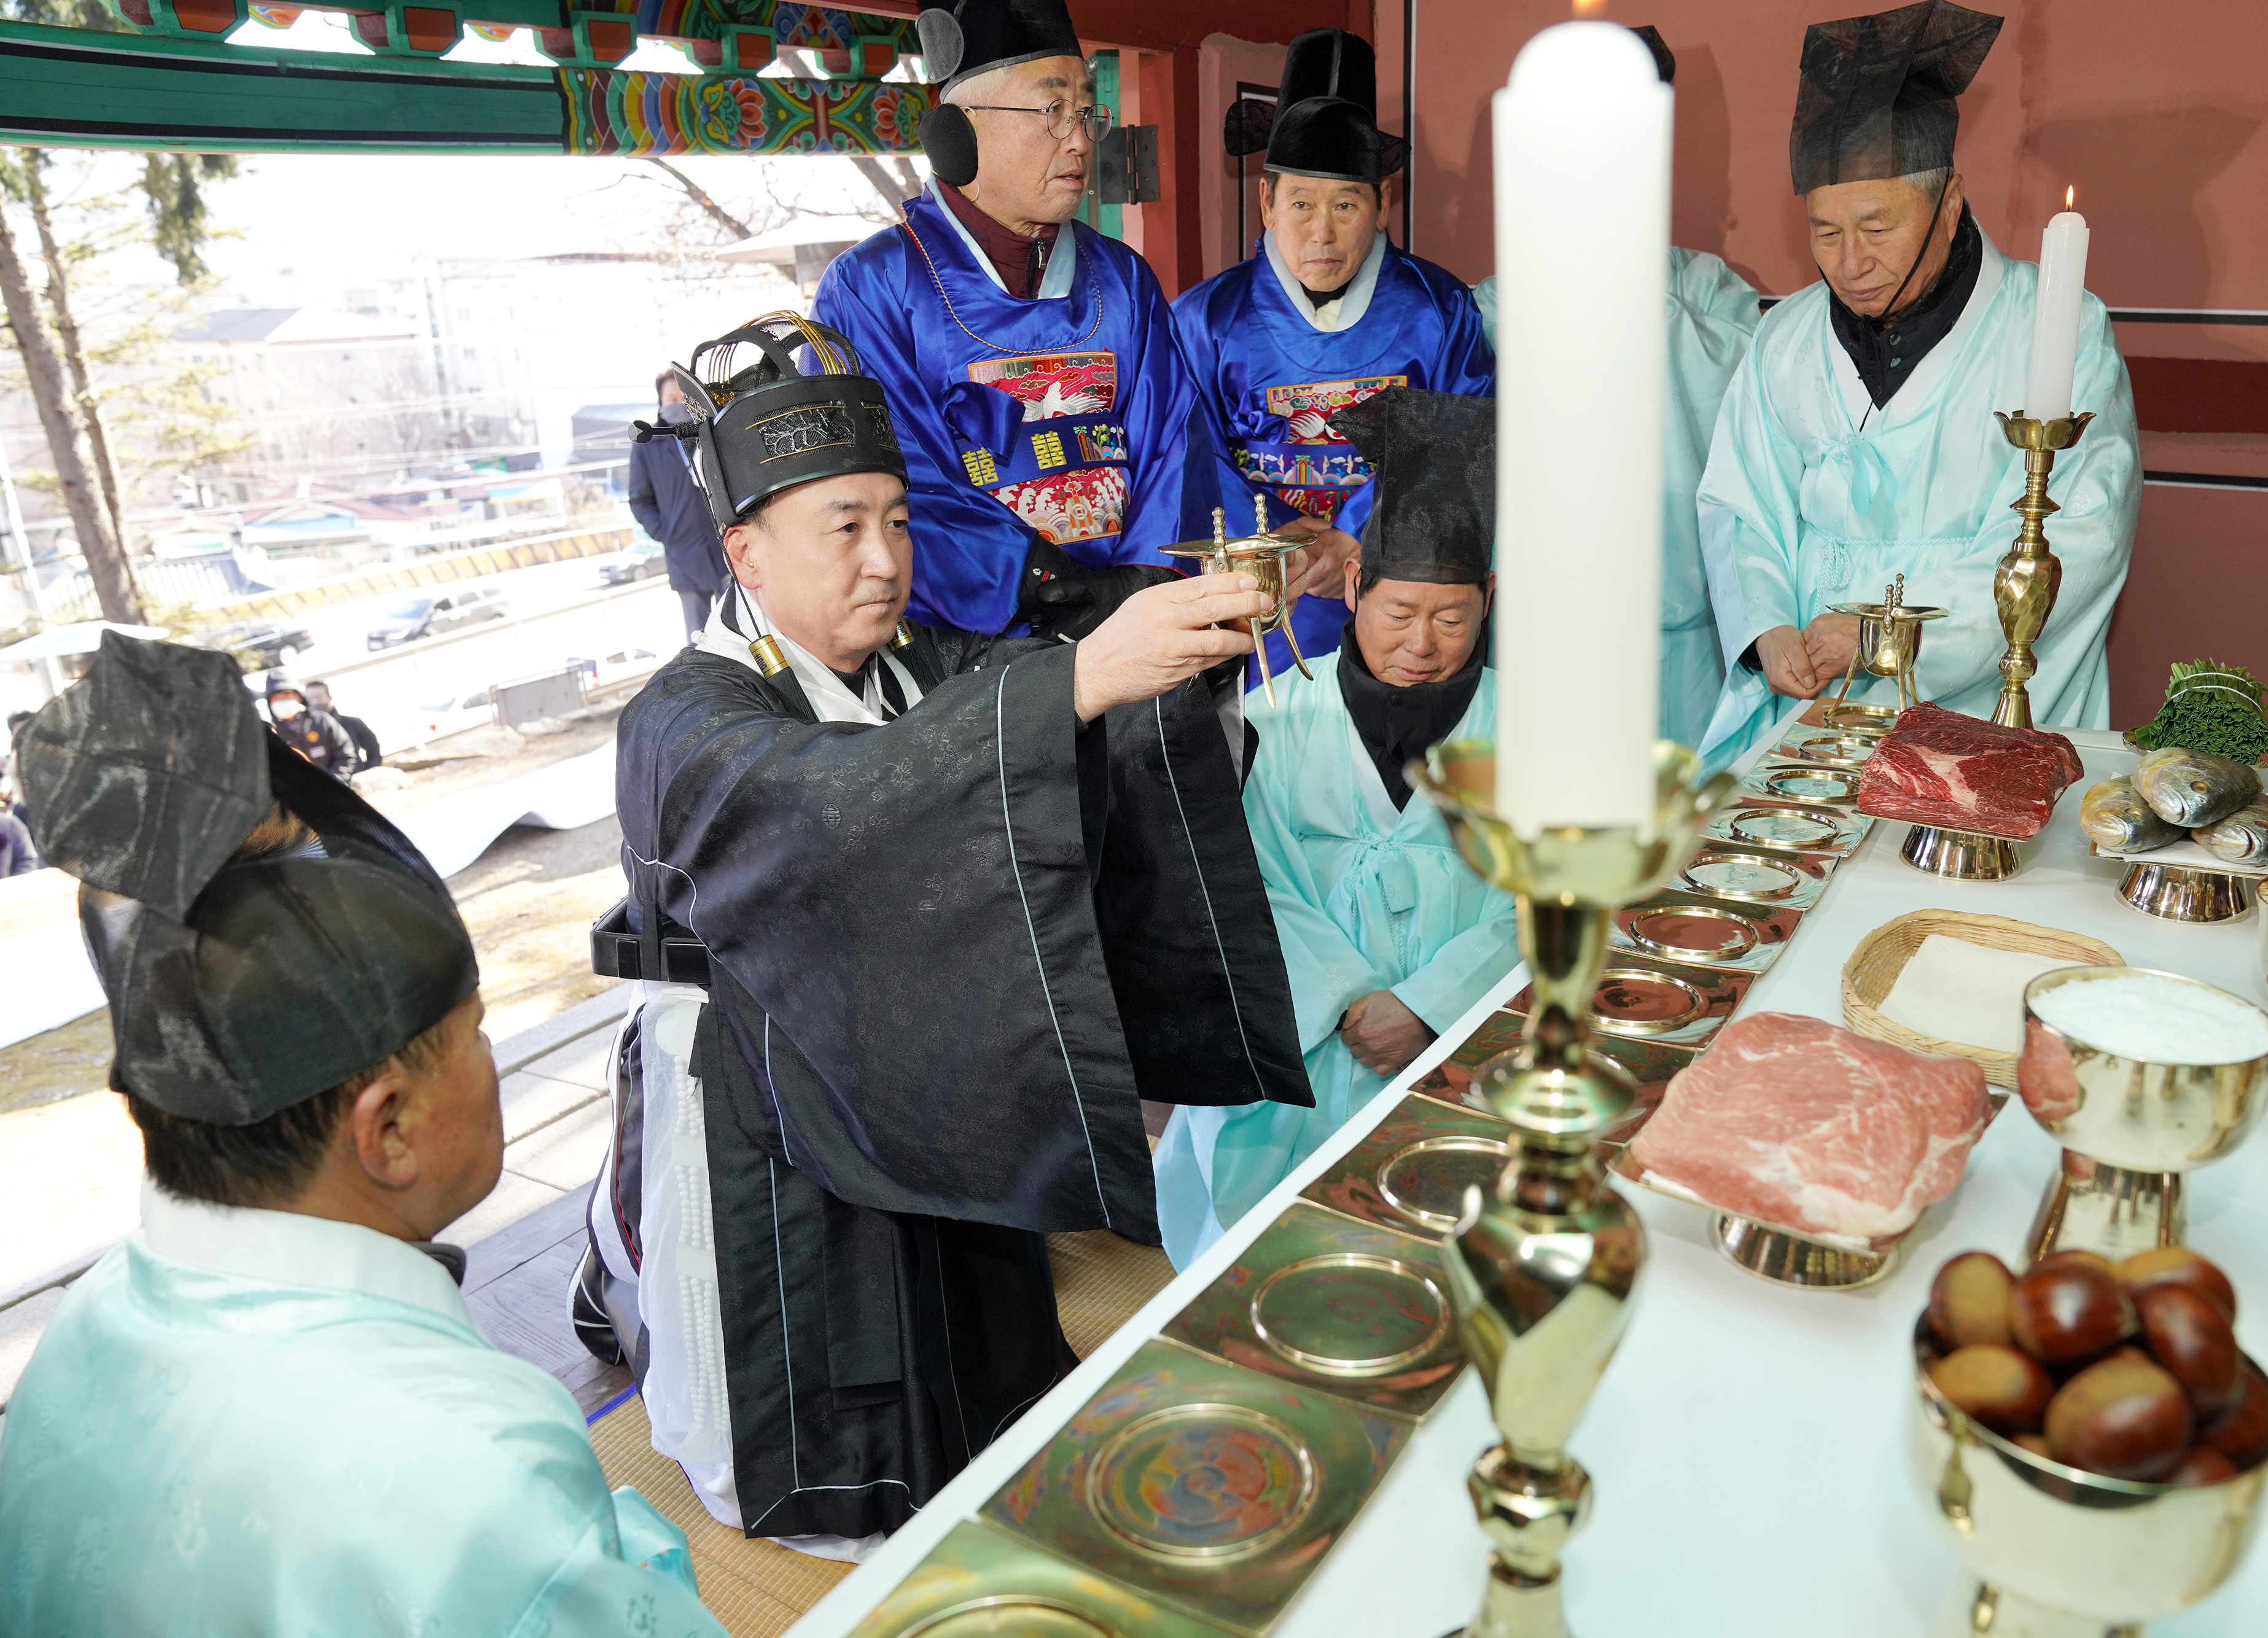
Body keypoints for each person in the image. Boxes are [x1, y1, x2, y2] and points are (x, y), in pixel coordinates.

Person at [585, 314, 1309, 1556]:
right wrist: (1076, 684)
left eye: (899, 520)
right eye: (845, 528)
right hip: (774, 1100)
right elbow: (825, 807)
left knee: (978, 1353)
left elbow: (1014, 720)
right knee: (842, 1372)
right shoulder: (686, 716)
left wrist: (1158, 669)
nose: (885, 560)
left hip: (919, 1061)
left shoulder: (904, 666)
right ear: (743, 553)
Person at [0, 632, 717, 1636]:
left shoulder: (81, 1334)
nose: (491, 1061)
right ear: (390, 1126)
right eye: (471, 1032)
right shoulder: (474, 1460)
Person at [1694, 0, 2141, 770]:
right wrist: (1765, 625)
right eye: (1824, 232)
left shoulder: (2052, 328)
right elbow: (1741, 505)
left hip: (1974, 705)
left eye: (1876, 228)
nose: (1849, 263)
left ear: (1951, 200)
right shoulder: (1787, 334)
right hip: (1811, 703)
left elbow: (2082, 533)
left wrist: (1893, 635)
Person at [1155, 389, 1516, 1267]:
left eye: (1453, 616)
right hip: (1307, 1047)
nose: (1423, 644)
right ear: (1353, 584)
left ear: (1491, 598)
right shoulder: (1279, 711)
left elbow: (1551, 898)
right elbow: (1248, 883)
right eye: (1399, 612)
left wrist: (1432, 1006)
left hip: (1468, 1043)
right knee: (1281, 1256)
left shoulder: (1531, 724)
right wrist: (1352, 999)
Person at [814, 0, 1215, 643]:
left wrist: (1141, 582)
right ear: (961, 130)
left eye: (1086, 112)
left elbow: (1175, 445)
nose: (1080, 139)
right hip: (966, 652)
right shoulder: (874, 287)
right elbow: (889, 480)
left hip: (1135, 624)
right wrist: (1041, 585)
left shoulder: (1123, 279)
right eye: (1052, 110)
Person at [1469, 25, 1763, 750]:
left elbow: (1752, 433)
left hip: (1678, 632)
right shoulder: (1491, 307)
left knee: (1685, 841)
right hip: (1541, 632)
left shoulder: (1712, 297)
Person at [1174, 28, 1492, 678]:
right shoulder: (1207, 318)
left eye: (1346, 204)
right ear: (1266, 201)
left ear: (1382, 206)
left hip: (1396, 595)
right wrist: (1276, 540)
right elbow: (1184, 454)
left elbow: (1462, 441)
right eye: (1300, 203)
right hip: (1259, 594)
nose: (1321, 233)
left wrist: (1355, 532)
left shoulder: (1438, 310)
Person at [629, 367, 730, 639]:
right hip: (683, 554)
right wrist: (667, 533)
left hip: (724, 548)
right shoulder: (648, 444)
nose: (678, 405)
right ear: (661, 402)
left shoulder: (711, 434)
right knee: (699, 638)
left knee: (738, 629)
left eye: (683, 399)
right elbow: (639, 500)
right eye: (671, 399)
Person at [262, 668, 356, 780]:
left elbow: (345, 754)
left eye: (286, 695)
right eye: (276, 698)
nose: (282, 701)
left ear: (299, 697)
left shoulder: (322, 721)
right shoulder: (271, 734)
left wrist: (333, 784)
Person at [304, 677, 381, 771]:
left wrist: (368, 772)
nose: (314, 703)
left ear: (329, 698)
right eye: (310, 700)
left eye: (319, 698)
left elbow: (373, 748)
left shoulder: (352, 723)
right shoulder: (302, 732)